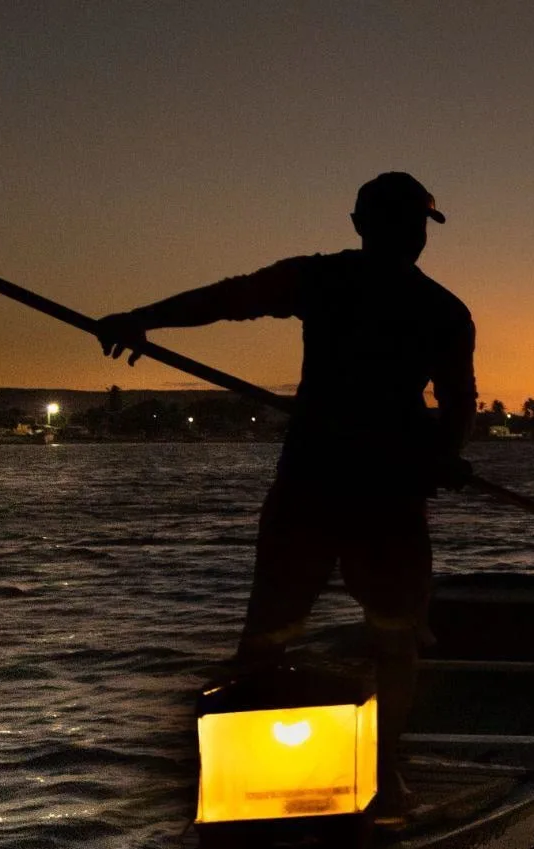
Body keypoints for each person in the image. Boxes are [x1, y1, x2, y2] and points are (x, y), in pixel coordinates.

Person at [93, 172, 476, 816]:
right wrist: (144, 320)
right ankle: (254, 780)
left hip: (378, 491)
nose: (409, 236)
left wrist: (445, 456)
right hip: (327, 487)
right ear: (363, 224)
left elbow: (459, 401)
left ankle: (380, 772)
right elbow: (228, 298)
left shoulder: (434, 307)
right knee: (294, 636)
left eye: (414, 225)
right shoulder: (333, 282)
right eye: (401, 222)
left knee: (390, 636)